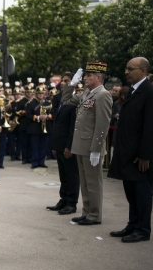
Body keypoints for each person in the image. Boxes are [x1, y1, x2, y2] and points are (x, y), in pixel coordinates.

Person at [107, 57, 153, 243]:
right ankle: (133, 224)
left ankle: (142, 229)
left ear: (142, 71)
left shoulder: (148, 92)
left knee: (141, 194)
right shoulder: (134, 90)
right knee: (130, 191)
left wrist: (144, 155)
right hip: (127, 152)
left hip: (138, 157)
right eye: (126, 68)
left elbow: (149, 126)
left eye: (130, 69)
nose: (126, 72)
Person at [62, 62, 112, 226]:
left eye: (88, 76)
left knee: (93, 183)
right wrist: (72, 84)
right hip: (81, 146)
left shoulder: (103, 95)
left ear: (98, 78)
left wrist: (97, 149)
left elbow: (102, 125)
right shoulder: (86, 94)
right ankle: (87, 212)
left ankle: (95, 214)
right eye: (85, 76)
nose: (85, 78)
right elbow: (66, 100)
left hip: (91, 147)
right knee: (84, 182)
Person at [47, 73, 80, 215]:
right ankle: (64, 199)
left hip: (68, 145)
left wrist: (69, 146)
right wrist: (55, 145)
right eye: (62, 81)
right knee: (63, 174)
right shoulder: (60, 98)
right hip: (59, 143)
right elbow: (57, 123)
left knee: (71, 174)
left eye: (67, 81)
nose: (63, 83)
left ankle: (72, 203)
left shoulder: (75, 100)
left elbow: (74, 126)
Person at [25, 86, 52, 169]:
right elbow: (28, 115)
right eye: (39, 93)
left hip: (45, 127)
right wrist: (38, 117)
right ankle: (35, 162)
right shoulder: (30, 103)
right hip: (34, 128)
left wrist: (47, 116)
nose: (40, 95)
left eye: (42, 93)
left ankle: (42, 162)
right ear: (36, 94)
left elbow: (52, 113)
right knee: (35, 146)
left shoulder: (48, 103)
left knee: (44, 146)